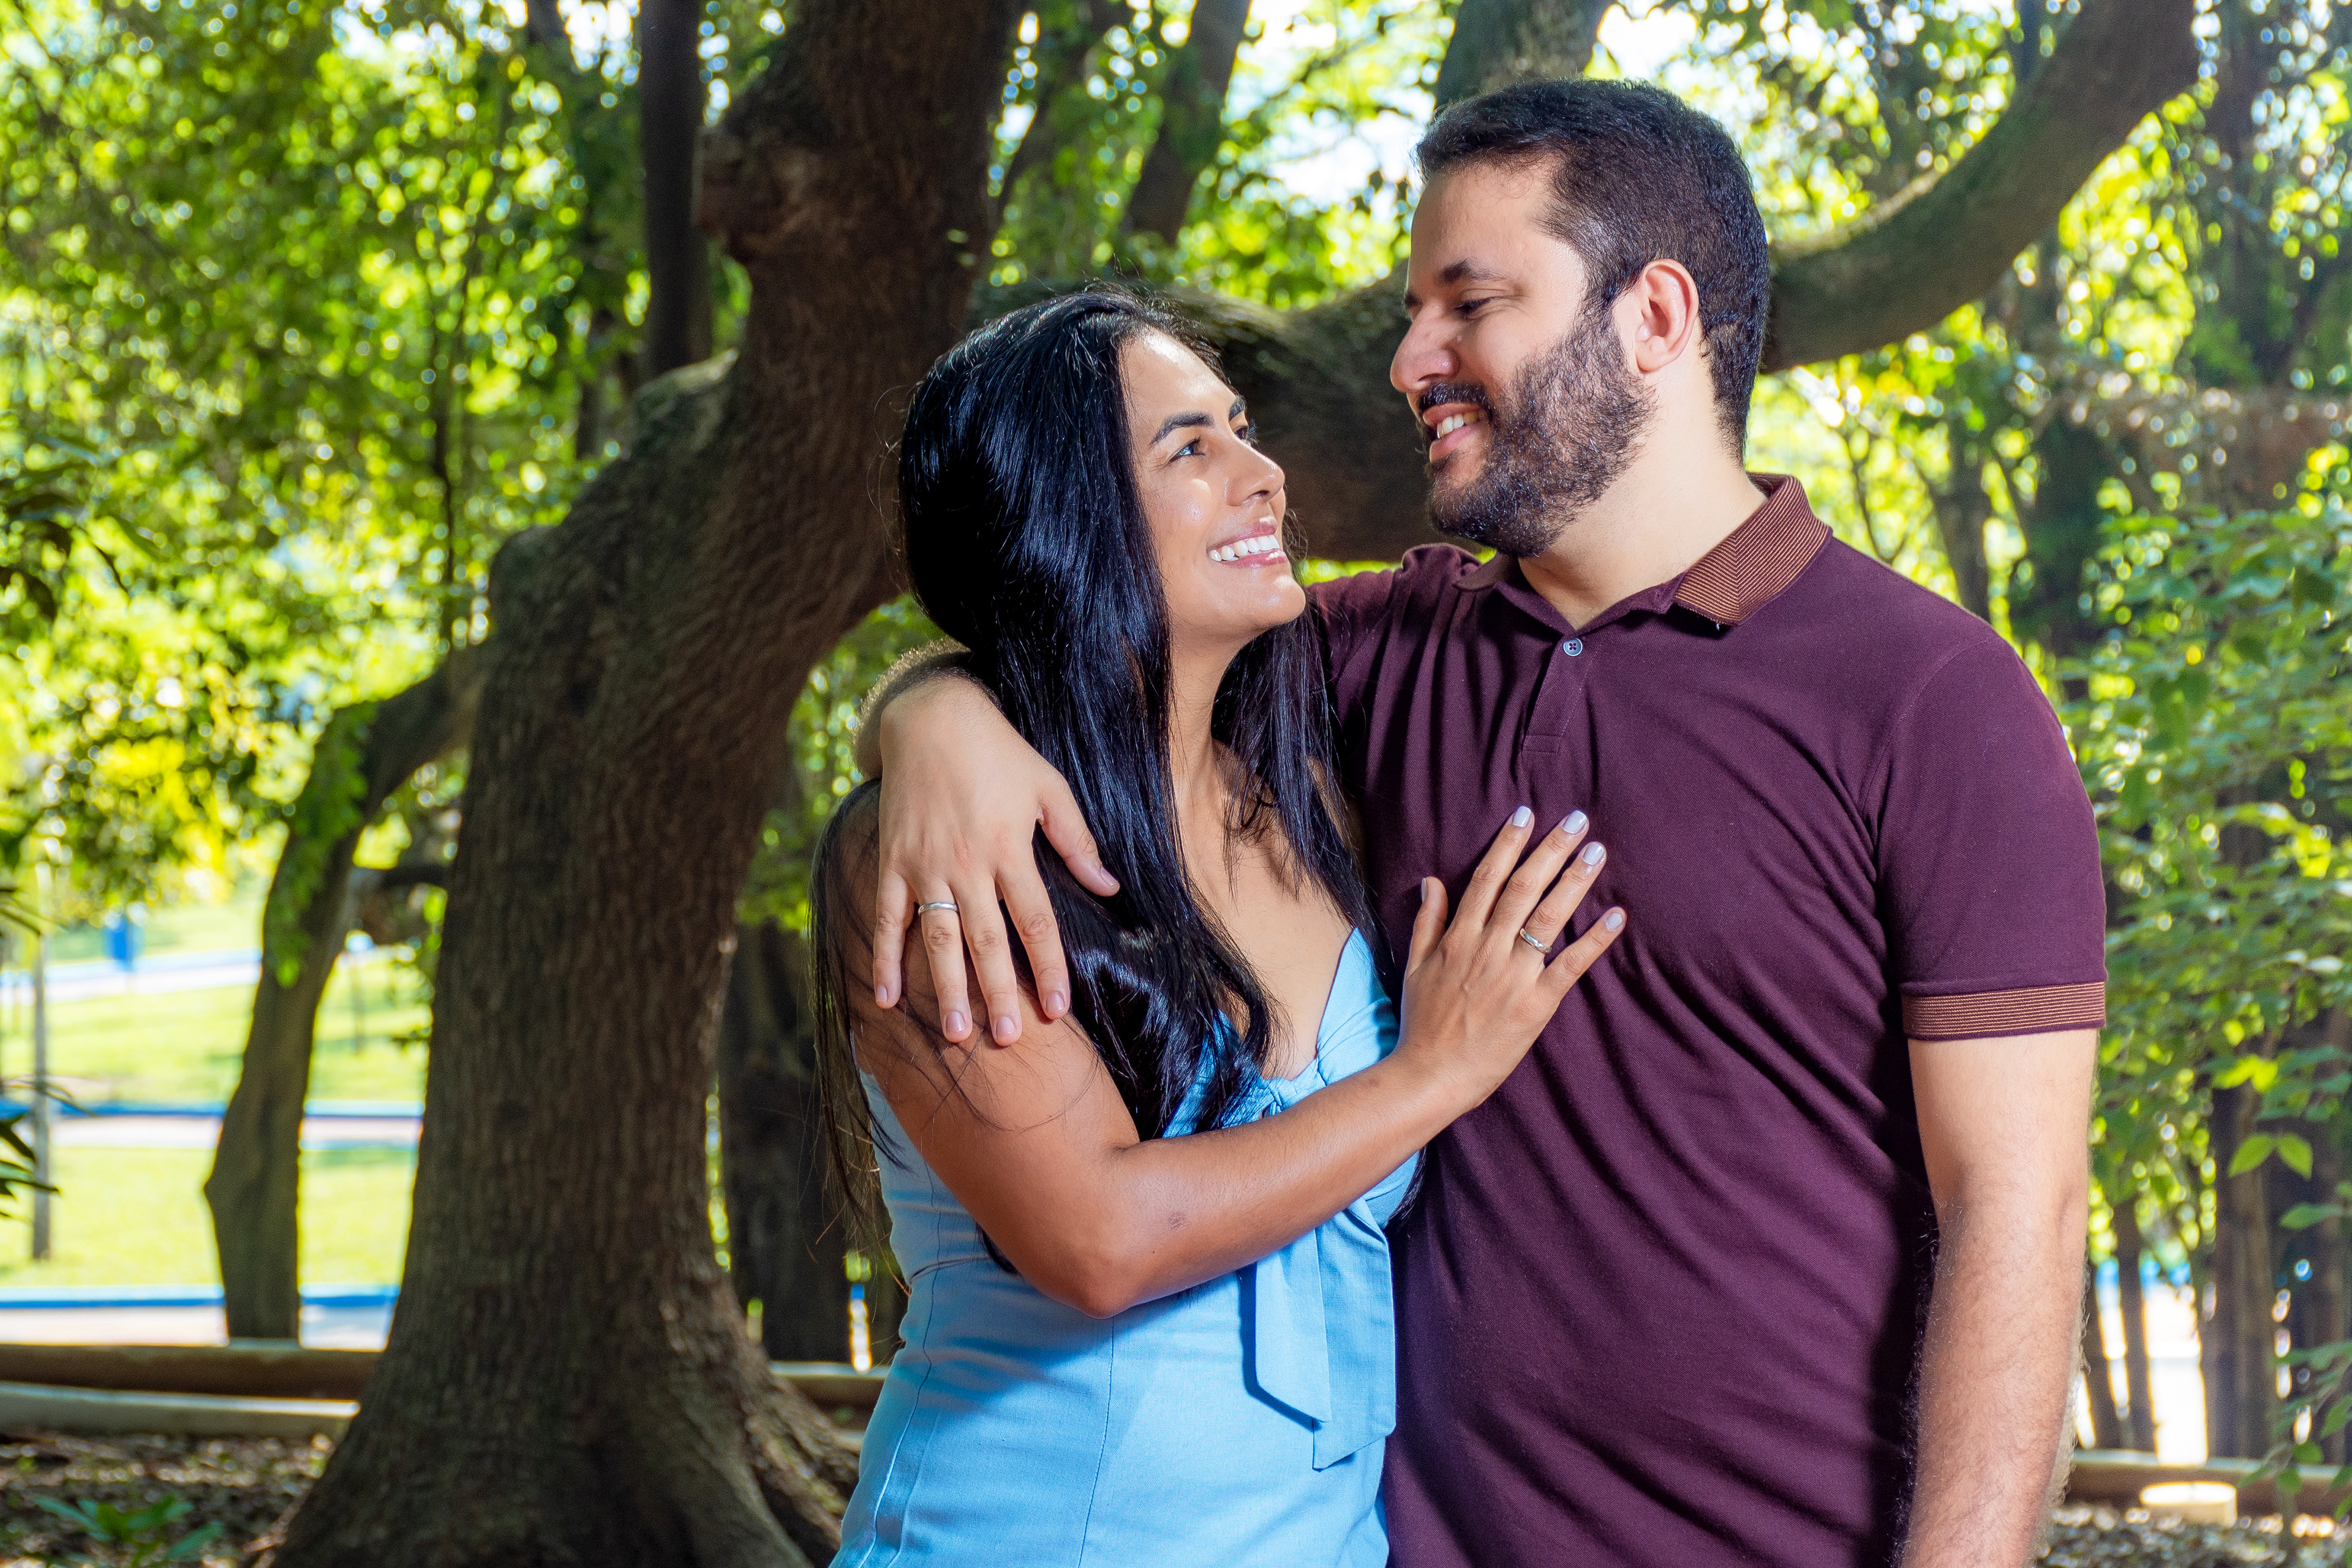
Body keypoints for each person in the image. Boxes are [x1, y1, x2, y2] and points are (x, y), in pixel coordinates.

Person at [861, 80, 2105, 1568]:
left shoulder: (1935, 699)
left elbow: (2017, 1211)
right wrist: (930, 716)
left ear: (1654, 318)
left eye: (1473, 303)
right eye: (1413, 311)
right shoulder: (1363, 661)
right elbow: (1088, 631)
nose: (1410, 361)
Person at [807, 290, 1626, 1566]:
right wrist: (1434, 1074)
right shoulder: (940, 854)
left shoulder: (1308, 803)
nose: (1263, 475)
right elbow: (1099, 1240)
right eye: (1190, 448)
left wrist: (922, 699)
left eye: (1242, 429)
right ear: (1055, 517)